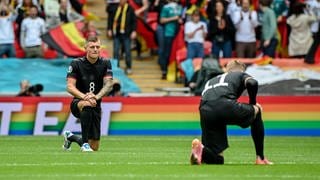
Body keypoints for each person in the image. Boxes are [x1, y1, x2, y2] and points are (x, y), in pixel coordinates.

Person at [190, 60, 273, 165]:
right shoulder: (240, 74)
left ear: (227, 70)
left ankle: (201, 150)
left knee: (217, 159)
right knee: (257, 110)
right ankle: (260, 158)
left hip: (205, 110)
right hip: (224, 105)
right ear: (242, 69)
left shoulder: (211, 80)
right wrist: (253, 104)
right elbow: (253, 83)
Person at [62, 36, 114, 152]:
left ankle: (71, 137)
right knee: (87, 104)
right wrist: (85, 96)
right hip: (78, 103)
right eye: (92, 47)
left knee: (94, 147)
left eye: (97, 47)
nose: (95, 49)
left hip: (96, 103)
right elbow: (70, 87)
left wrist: (96, 96)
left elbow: (108, 84)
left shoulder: (105, 63)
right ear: (86, 48)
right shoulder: (76, 63)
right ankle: (84, 144)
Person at [107, 0, 137, 75]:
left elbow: (134, 21)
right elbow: (110, 19)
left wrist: (134, 31)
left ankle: (129, 67)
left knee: (127, 51)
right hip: (117, 33)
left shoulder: (130, 9)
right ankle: (116, 67)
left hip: (127, 33)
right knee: (116, 51)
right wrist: (109, 29)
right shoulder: (115, 8)